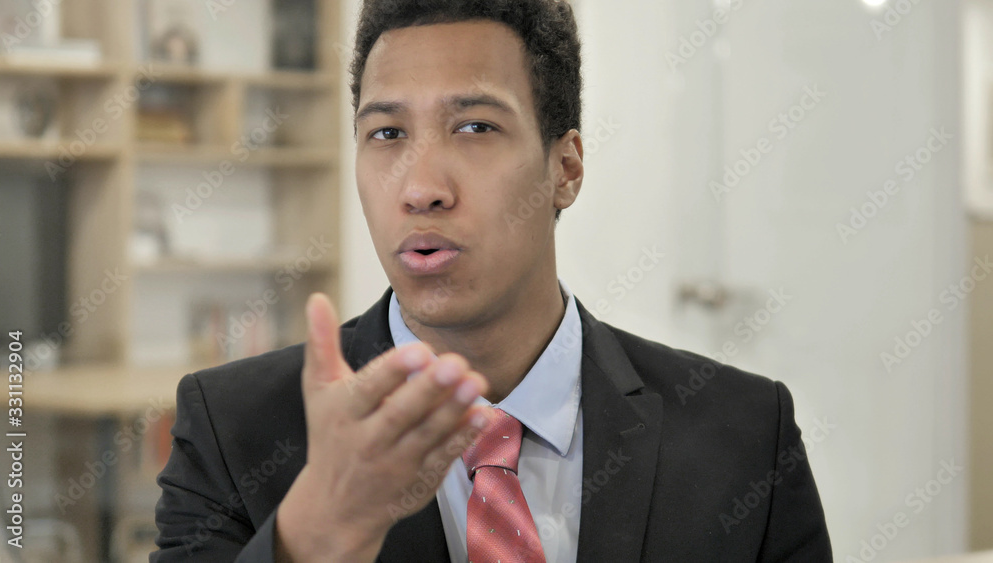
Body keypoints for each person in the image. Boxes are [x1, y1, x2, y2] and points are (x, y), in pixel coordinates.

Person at [150, 0, 833, 561]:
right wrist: (317, 538)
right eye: (387, 134)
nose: (421, 187)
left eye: (474, 126)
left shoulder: (744, 434)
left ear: (565, 169)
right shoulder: (232, 429)